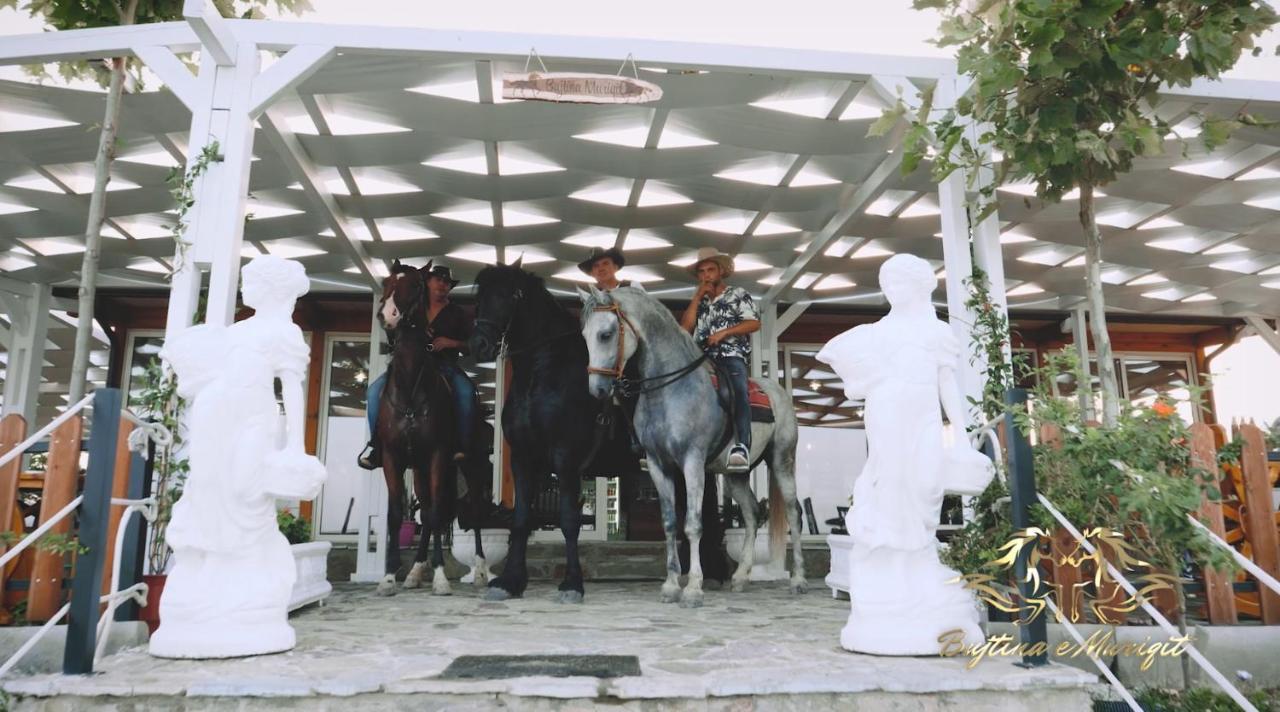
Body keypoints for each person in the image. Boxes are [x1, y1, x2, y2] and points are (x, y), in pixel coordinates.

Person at [816, 253, 989, 654]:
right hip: (888, 416)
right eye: (886, 284)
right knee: (892, 485)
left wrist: (960, 438)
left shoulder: (937, 332)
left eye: (899, 283)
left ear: (921, 285)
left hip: (924, 419)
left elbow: (948, 385)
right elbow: (856, 384)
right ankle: (891, 579)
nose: (891, 291)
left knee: (926, 487)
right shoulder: (876, 332)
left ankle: (919, 569)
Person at [359, 264, 479, 469]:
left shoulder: (458, 313)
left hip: (445, 366)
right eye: (438, 280)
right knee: (373, 393)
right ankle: (376, 445)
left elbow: (472, 344)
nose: (442, 284)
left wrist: (450, 343)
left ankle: (462, 445)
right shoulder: (413, 308)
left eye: (446, 282)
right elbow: (391, 324)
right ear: (427, 283)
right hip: (408, 369)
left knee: (467, 393)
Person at [680, 247, 760, 472]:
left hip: (730, 356)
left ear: (721, 271)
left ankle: (742, 445)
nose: (706, 275)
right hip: (700, 359)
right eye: (702, 272)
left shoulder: (737, 293)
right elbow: (685, 329)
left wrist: (725, 333)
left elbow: (754, 323)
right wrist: (697, 297)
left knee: (734, 391)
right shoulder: (700, 302)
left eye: (710, 270)